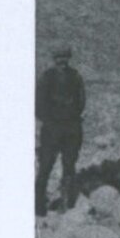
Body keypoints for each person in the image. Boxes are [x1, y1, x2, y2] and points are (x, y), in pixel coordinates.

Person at [36, 46, 87, 215]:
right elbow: (39, 105)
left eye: (65, 57)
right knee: (45, 165)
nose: (62, 61)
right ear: (54, 59)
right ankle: (39, 205)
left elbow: (81, 101)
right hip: (52, 129)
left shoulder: (75, 76)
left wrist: (70, 117)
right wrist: (52, 120)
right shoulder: (47, 77)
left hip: (72, 128)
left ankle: (65, 205)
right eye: (59, 58)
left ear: (69, 58)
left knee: (69, 165)